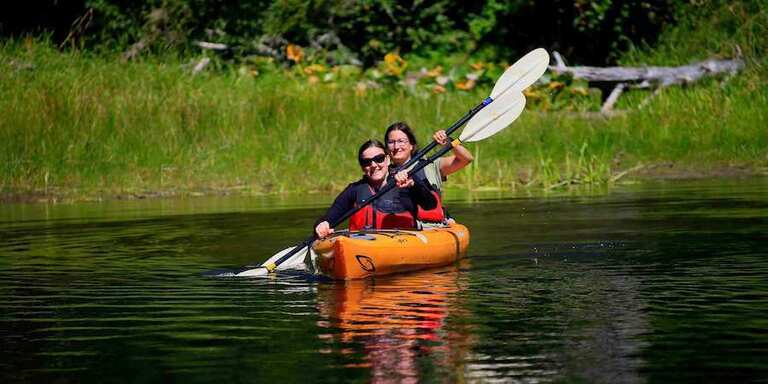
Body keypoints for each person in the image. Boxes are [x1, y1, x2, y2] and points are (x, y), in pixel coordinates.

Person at [314, 139, 437, 238]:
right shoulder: (354, 190)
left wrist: (413, 185)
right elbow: (328, 218)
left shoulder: (406, 180)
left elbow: (430, 205)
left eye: (379, 159)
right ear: (362, 167)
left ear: (388, 160)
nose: (373, 165)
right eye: (366, 162)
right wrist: (321, 225)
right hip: (364, 246)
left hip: (402, 243)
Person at [384, 121, 474, 223]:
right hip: (399, 229)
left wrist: (449, 141)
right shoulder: (381, 173)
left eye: (401, 141)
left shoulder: (430, 165)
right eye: (391, 142)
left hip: (431, 228)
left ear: (411, 145)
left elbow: (466, 159)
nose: (396, 146)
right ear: (386, 147)